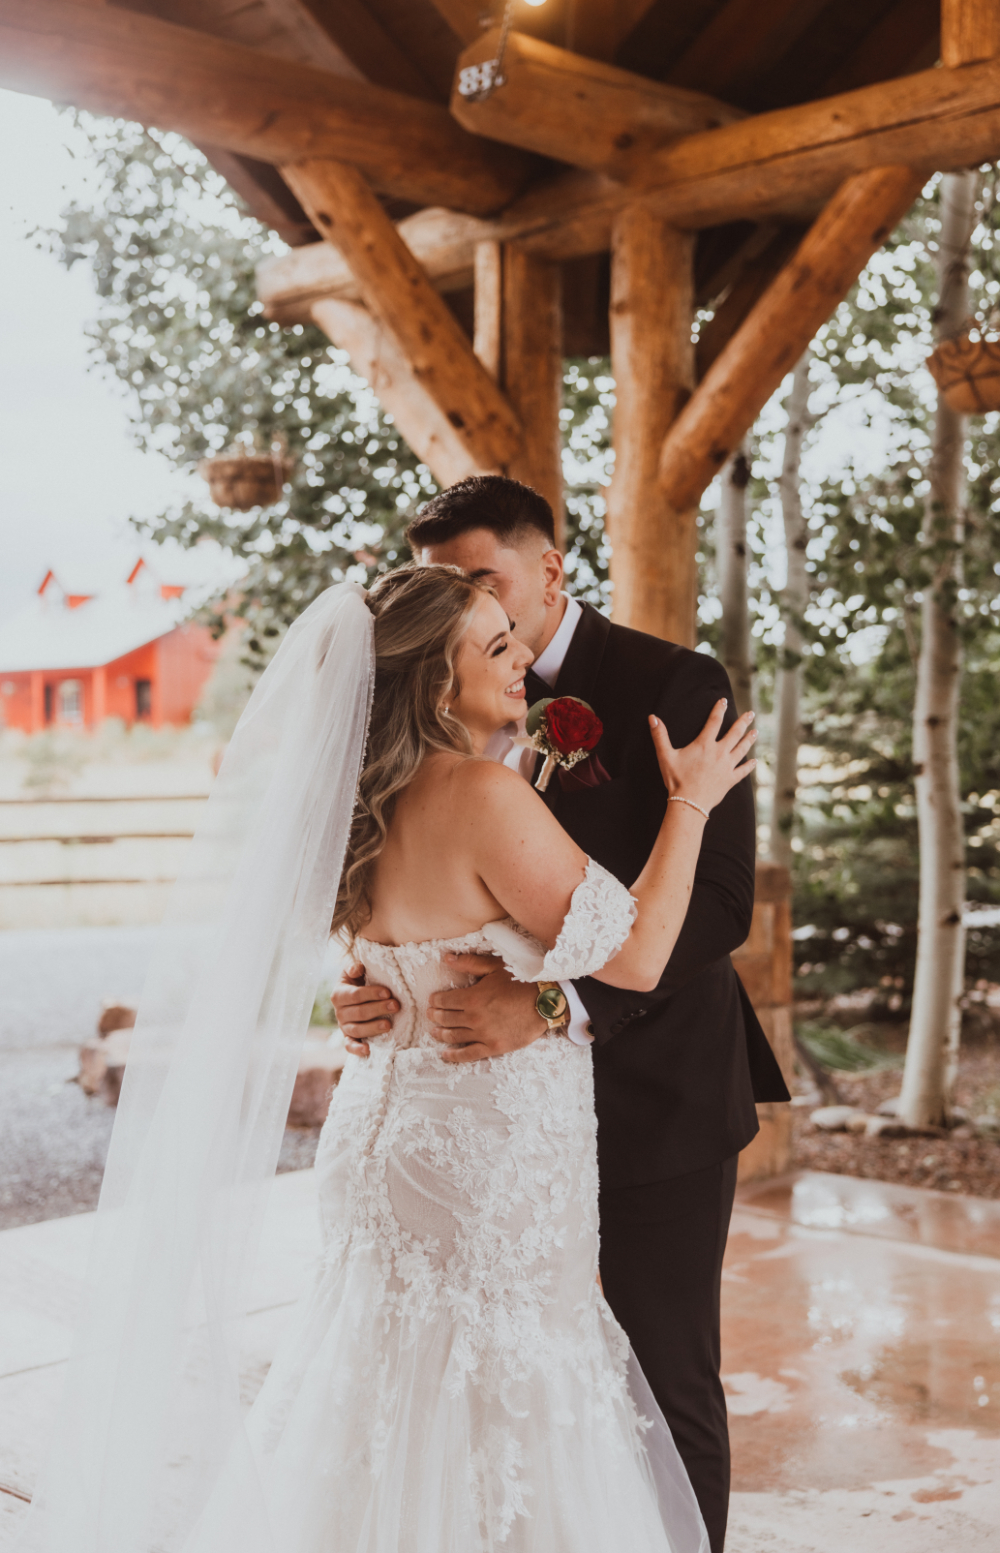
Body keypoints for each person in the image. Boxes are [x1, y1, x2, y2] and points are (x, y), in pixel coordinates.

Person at [333, 476, 790, 1553]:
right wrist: (370, 991)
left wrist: (552, 1002)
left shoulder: (671, 682)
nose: (470, 610)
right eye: (444, 590)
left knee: (658, 1373)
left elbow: (716, 908)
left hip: (650, 1085)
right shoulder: (412, 738)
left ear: (548, 568)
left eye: (482, 582)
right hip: (470, 1126)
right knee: (499, 1376)